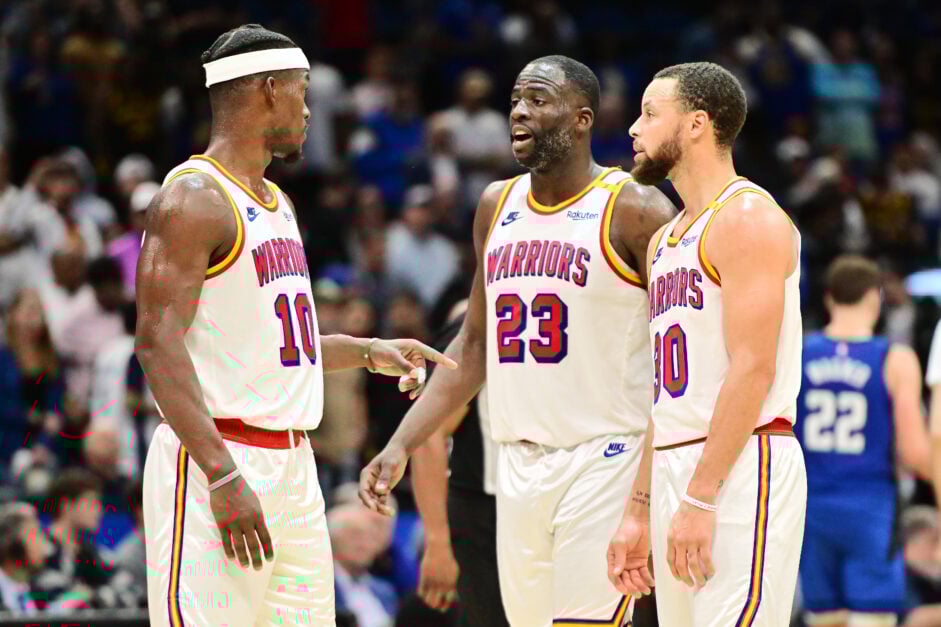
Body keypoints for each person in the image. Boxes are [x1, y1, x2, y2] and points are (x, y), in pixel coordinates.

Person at [135, 24, 455, 627]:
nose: (310, 110)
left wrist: (366, 350)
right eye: (303, 92)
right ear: (268, 89)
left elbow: (278, 344)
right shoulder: (193, 199)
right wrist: (222, 472)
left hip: (294, 465)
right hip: (219, 460)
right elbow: (156, 342)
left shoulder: (278, 203)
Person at [360, 55, 676, 626]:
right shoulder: (495, 204)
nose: (519, 113)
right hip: (516, 465)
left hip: (606, 456)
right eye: (515, 101)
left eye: (537, 99)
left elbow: (683, 350)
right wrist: (402, 443)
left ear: (583, 119)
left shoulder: (636, 208)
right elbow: (474, 347)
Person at [609, 61, 806, 626]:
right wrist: (639, 511)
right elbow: (665, 398)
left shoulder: (747, 218)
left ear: (697, 124)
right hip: (678, 462)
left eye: (650, 114)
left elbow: (752, 370)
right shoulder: (666, 239)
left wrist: (700, 496)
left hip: (741, 464)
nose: (634, 129)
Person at [796, 255, 933, 627]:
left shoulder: (797, 352)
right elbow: (913, 452)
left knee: (824, 617)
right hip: (870, 508)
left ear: (828, 298)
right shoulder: (895, 358)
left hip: (810, 508)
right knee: (873, 617)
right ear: (875, 298)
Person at [411, 300, 509, 626]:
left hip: (541, 500)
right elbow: (427, 435)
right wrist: (437, 542)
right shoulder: (482, 325)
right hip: (482, 513)